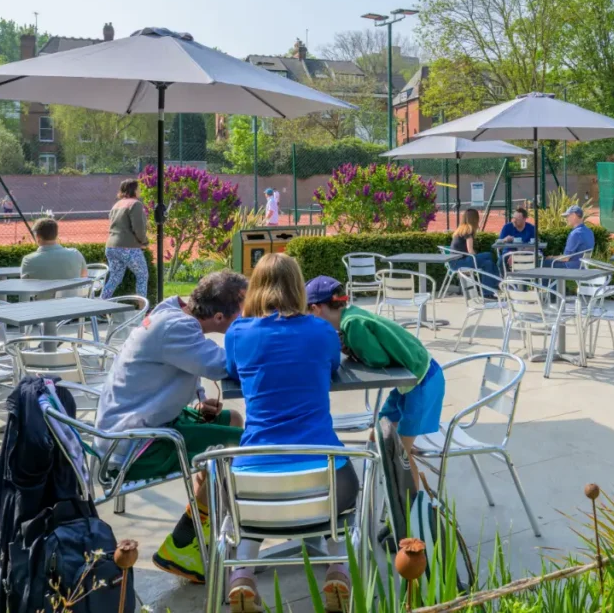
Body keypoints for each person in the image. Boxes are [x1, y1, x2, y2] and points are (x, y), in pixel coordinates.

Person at [94, 270, 248, 583]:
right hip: (136, 445)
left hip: (133, 424)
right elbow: (224, 365)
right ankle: (181, 546)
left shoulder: (172, 311)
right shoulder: (177, 329)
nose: (246, 318)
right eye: (242, 313)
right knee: (239, 446)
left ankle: (204, 529)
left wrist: (198, 396)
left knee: (232, 420)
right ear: (220, 317)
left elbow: (180, 364)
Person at [224, 254, 353, 611]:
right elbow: (330, 368)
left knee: (255, 501)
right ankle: (337, 567)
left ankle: (242, 574)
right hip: (322, 476)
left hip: (254, 479)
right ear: (298, 288)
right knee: (340, 501)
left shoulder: (238, 332)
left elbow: (233, 371)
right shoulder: (322, 331)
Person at [306, 275, 445, 491]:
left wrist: (350, 350)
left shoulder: (351, 324)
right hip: (415, 378)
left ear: (315, 309)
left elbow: (377, 359)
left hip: (422, 383)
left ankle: (413, 511)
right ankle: (377, 488)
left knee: (402, 454)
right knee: (377, 434)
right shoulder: (350, 316)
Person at [102, 179, 149, 299]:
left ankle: (99, 304)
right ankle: (142, 309)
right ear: (133, 189)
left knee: (115, 278)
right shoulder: (135, 204)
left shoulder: (116, 205)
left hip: (111, 246)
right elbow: (138, 228)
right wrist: (144, 241)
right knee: (142, 275)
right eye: (138, 188)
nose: (140, 190)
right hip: (128, 247)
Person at [20, 218, 88, 280]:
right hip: (74, 294)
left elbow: (25, 286)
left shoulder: (28, 260)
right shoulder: (75, 254)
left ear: (38, 237)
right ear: (56, 234)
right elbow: (84, 278)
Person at [450, 208, 499, 291]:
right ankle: (498, 281)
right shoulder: (468, 230)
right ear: (475, 219)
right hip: (461, 263)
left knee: (488, 263)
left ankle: (488, 292)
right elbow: (470, 251)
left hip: (455, 262)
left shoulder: (462, 229)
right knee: (489, 255)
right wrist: (477, 257)